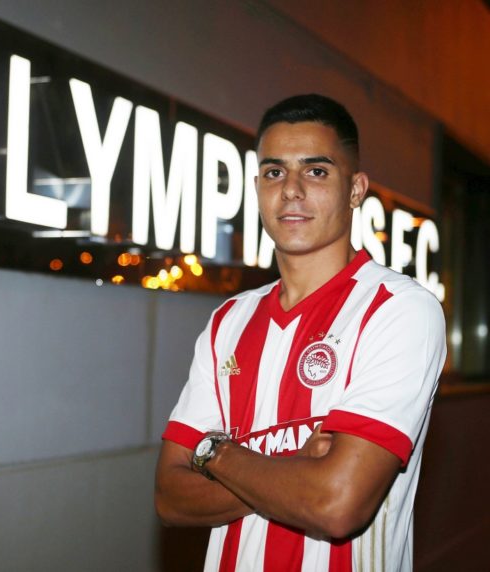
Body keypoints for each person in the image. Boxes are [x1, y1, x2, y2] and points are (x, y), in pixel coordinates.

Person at [155, 94, 447, 571]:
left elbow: (335, 502)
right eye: (274, 172)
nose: (291, 190)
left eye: (316, 171)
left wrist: (213, 453)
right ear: (257, 188)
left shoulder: (398, 309)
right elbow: (170, 496)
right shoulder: (228, 320)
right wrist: (296, 470)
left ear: (355, 189)